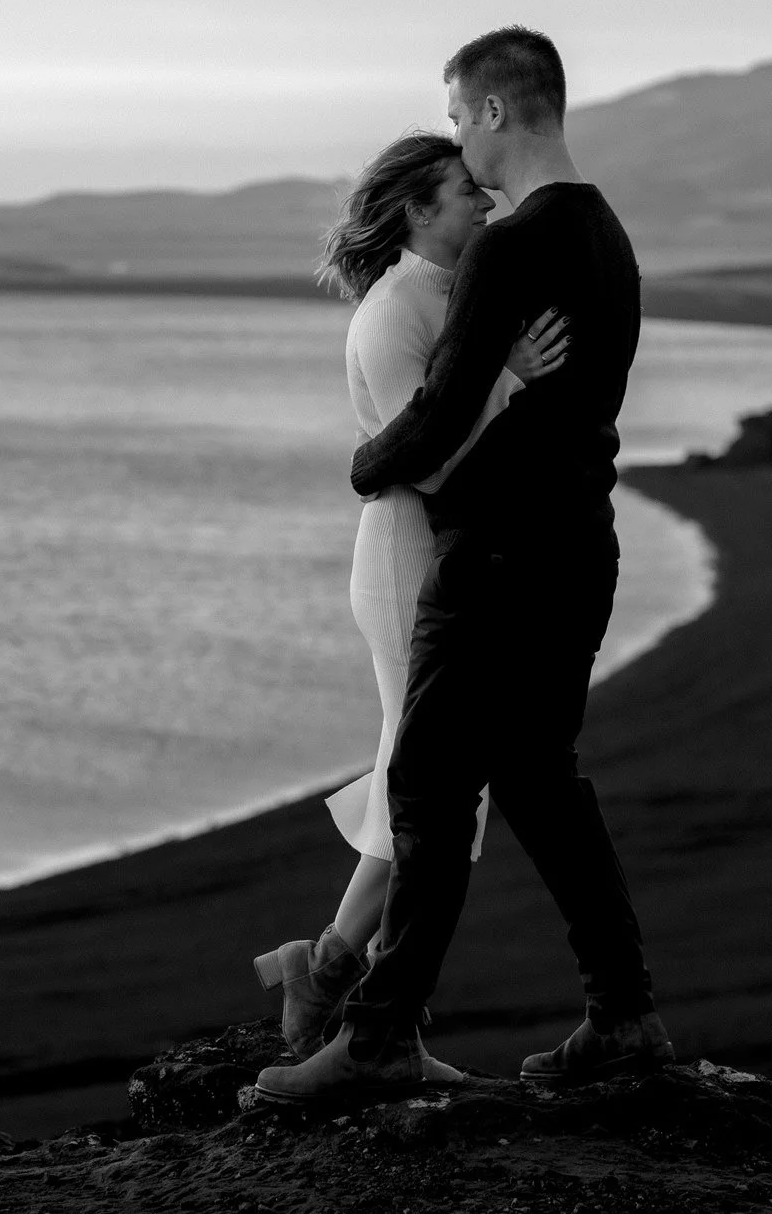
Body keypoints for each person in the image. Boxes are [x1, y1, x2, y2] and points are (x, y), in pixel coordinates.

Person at [256, 26, 674, 1109]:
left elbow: (438, 416)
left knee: (432, 794)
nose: (455, 139)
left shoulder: (511, 244)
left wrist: (363, 465)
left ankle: (378, 1035)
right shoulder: (607, 236)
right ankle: (622, 1015)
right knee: (540, 779)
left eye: (454, 115)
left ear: (491, 111)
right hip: (582, 546)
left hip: (492, 557)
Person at [251, 131, 569, 1061]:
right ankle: (350, 984)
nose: (487, 203)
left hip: (450, 557)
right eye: (466, 191)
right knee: (431, 786)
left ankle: (341, 973)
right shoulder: (394, 311)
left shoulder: (447, 293)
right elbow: (423, 458)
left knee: (430, 780)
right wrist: (514, 377)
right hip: (406, 559)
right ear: (418, 211)